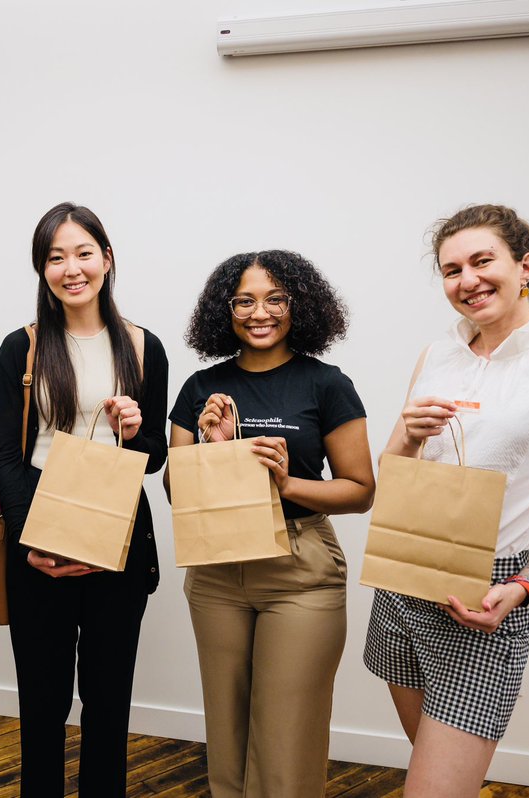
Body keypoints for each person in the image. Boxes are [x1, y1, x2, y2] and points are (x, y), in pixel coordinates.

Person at [362, 204, 529, 798]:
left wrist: (524, 586)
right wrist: (407, 435)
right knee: (439, 777)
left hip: (488, 595)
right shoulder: (436, 356)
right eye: (452, 270)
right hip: (403, 580)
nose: (468, 280)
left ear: (525, 266)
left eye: (483, 261)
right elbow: (394, 477)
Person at [167, 250, 374, 797]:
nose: (260, 313)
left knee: (286, 739)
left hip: (299, 570)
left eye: (275, 299)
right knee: (227, 731)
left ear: (298, 305)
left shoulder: (326, 384)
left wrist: (286, 484)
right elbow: (175, 490)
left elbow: (360, 490)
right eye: (245, 301)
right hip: (216, 571)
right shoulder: (200, 387)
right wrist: (214, 450)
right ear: (225, 310)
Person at [0, 202, 168, 797]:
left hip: (117, 535)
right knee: (41, 704)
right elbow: (7, 454)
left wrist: (133, 431)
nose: (72, 268)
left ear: (107, 259)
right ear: (42, 269)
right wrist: (29, 542)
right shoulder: (21, 347)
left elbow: (154, 455)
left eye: (83, 253)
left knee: (108, 701)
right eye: (55, 257)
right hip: (38, 531)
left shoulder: (143, 346)